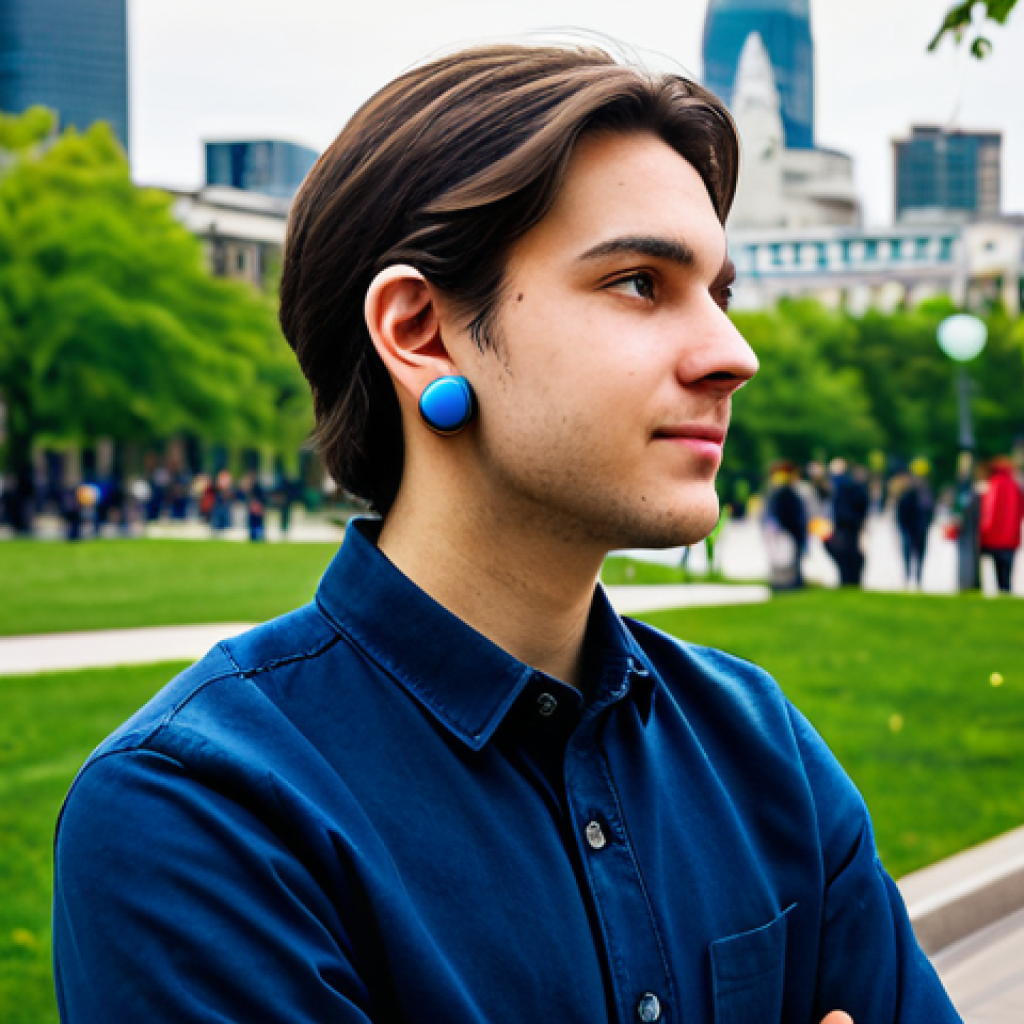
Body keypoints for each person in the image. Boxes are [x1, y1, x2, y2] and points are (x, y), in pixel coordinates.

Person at [52, 44, 959, 1024]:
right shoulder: (200, 814)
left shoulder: (758, 746)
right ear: (420, 331)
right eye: (639, 283)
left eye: (720, 294)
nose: (731, 355)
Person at [979, 456, 1024, 594]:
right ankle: (1006, 591)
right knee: (1007, 571)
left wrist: (984, 531)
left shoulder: (994, 484)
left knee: (997, 569)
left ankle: (1001, 591)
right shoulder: (1015, 486)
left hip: (994, 537)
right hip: (1011, 538)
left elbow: (989, 512)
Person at [826, 458, 869, 587]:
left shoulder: (843, 488)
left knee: (847, 558)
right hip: (850, 528)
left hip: (845, 528)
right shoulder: (853, 487)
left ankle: (848, 582)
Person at [767, 460, 808, 589]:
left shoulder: (779, 491)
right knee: (787, 559)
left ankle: (786, 583)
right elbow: (790, 515)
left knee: (786, 559)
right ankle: (788, 584)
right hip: (788, 531)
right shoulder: (785, 492)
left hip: (785, 531)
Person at [895, 458, 934, 591]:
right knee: (909, 554)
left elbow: (929, 512)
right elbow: (902, 512)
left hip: (919, 529)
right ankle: (908, 579)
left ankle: (917, 579)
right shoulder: (909, 494)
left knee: (917, 555)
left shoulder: (925, 494)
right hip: (910, 528)